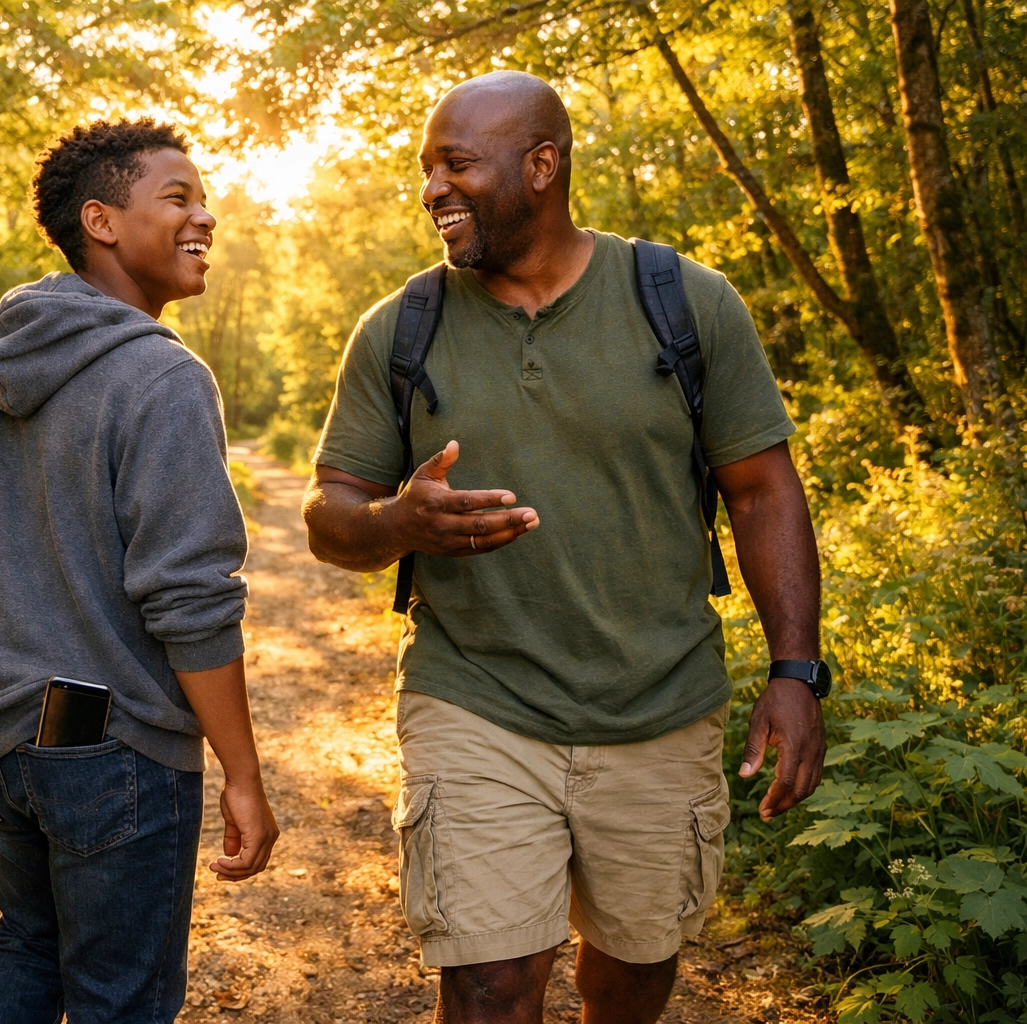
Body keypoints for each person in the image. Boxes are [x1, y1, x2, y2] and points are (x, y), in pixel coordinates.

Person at [302, 73, 827, 1024]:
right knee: (489, 985)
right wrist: (395, 525)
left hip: (661, 702)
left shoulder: (686, 304)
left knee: (631, 977)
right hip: (475, 699)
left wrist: (796, 671)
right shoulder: (400, 329)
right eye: (427, 169)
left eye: (456, 165)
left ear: (542, 166)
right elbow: (329, 511)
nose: (431, 190)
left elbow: (761, 493)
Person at [0, 118, 280, 1024]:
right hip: (116, 751)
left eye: (203, 198)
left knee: (29, 949)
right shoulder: (162, 378)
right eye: (177, 197)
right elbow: (190, 600)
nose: (204, 216)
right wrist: (243, 774)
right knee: (119, 1000)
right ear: (101, 221)